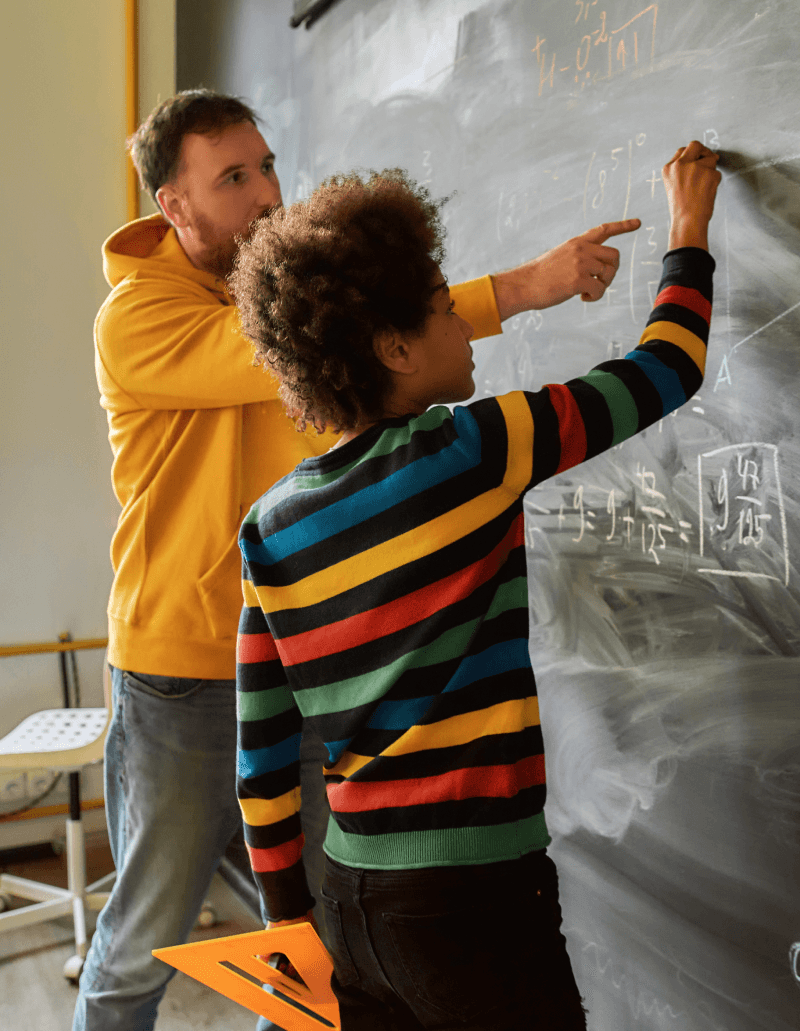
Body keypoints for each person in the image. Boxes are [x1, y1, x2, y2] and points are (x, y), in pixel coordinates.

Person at [75, 88, 625, 1031]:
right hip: (179, 668)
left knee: (309, 935)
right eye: (234, 177)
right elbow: (266, 350)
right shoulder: (136, 318)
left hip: (301, 658)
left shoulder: (283, 286)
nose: (266, 193)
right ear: (174, 205)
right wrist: (522, 288)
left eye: (268, 166)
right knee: (146, 929)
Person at [229, 142, 721, 1030]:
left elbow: (261, 765)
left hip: (349, 905)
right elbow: (667, 370)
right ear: (393, 348)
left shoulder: (269, 524)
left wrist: (288, 925)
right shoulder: (470, 448)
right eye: (440, 309)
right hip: (472, 905)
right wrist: (690, 227)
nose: (463, 326)